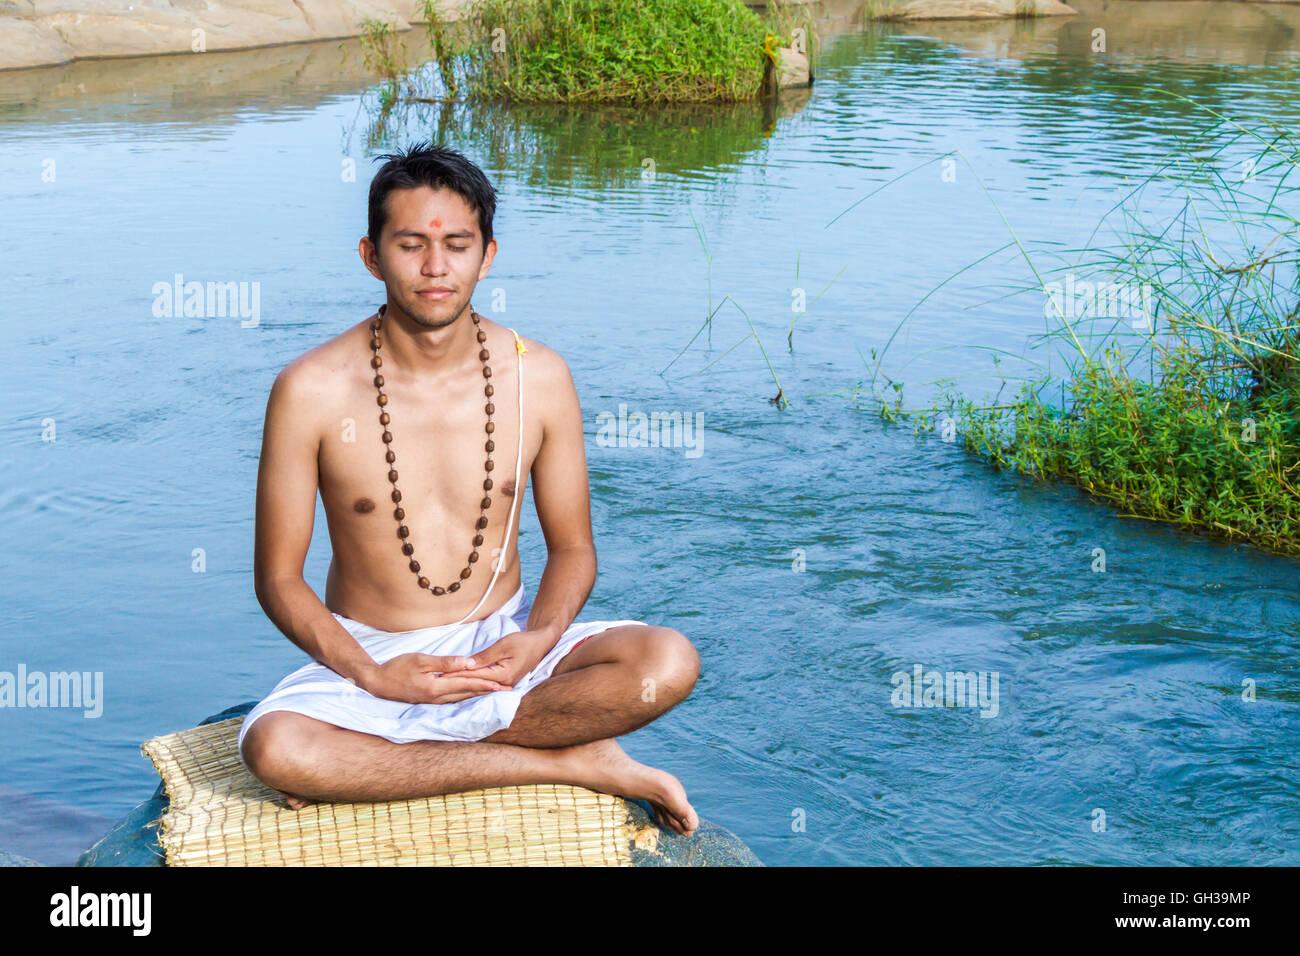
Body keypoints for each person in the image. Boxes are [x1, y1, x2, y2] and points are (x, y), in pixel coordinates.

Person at [237, 142, 699, 837]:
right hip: (373, 657)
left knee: (666, 663)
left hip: (501, 652)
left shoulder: (539, 377)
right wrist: (373, 675)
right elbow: (277, 577)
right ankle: (571, 763)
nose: (434, 267)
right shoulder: (309, 390)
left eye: (456, 244)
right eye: (410, 245)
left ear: (487, 255)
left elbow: (573, 549)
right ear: (371, 255)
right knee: (276, 749)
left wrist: (537, 641)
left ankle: (391, 764)